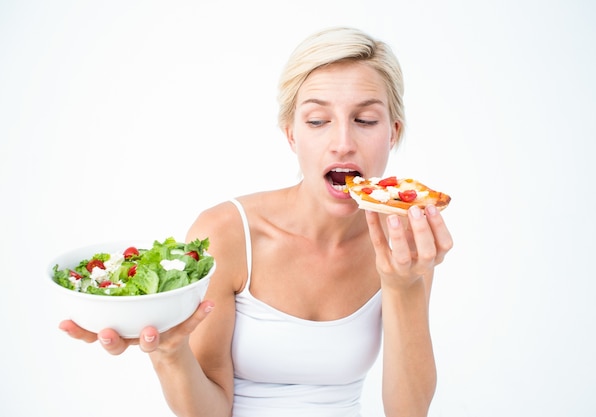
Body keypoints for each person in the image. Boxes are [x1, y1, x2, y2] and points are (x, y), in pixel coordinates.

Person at [60, 26, 453, 417]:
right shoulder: (227, 233)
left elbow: (408, 411)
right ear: (291, 135)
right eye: (318, 121)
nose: (343, 142)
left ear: (393, 134)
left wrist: (403, 285)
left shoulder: (407, 245)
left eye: (365, 120)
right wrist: (169, 352)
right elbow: (211, 409)